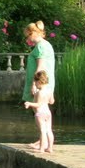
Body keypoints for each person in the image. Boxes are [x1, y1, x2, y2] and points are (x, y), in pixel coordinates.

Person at [22, 21, 55, 149]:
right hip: (45, 83)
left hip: (39, 83)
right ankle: (43, 140)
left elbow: (40, 67)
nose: (27, 39)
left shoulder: (41, 47)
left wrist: (34, 85)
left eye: (27, 36)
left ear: (33, 33)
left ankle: (44, 142)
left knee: (39, 113)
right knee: (43, 112)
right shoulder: (46, 45)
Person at [24, 70, 55, 153]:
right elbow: (52, 102)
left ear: (39, 81)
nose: (35, 84)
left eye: (35, 82)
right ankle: (50, 148)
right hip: (48, 113)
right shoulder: (49, 91)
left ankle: (41, 148)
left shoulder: (40, 93)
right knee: (49, 130)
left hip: (40, 114)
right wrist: (46, 100)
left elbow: (38, 104)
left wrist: (29, 103)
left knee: (42, 131)